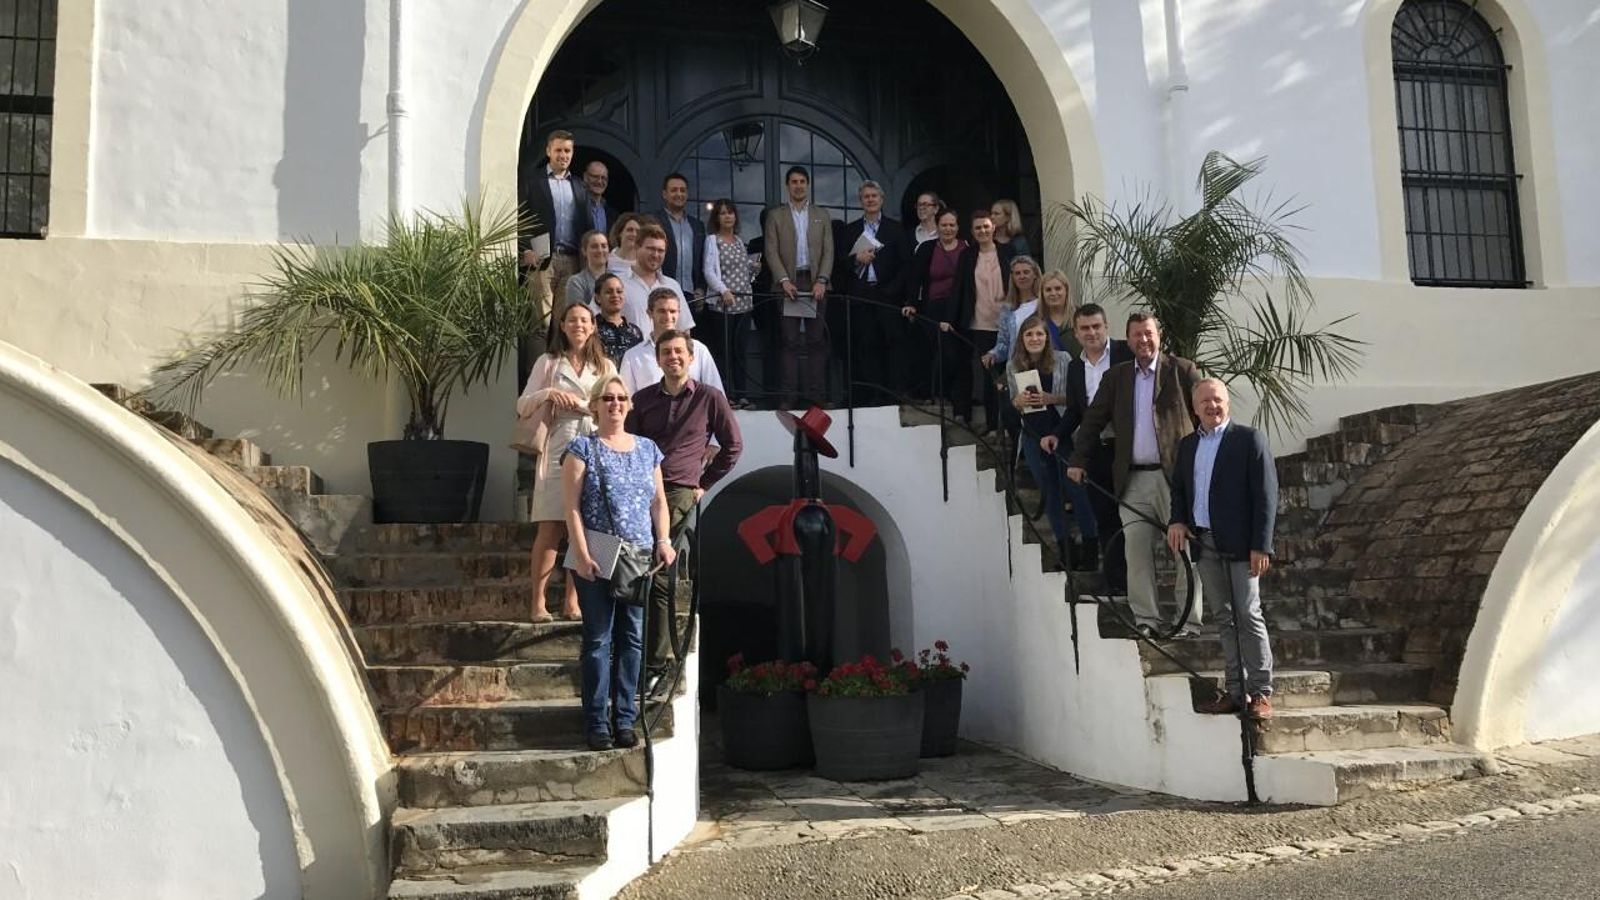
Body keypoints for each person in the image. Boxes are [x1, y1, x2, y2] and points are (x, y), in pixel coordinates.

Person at [1063, 312, 1204, 638]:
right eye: (1137, 335)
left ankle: (1188, 622)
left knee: (1186, 553)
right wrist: (1078, 459)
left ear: (1159, 335)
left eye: (1149, 334)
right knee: (1136, 553)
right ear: (1127, 340)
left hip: (1176, 480)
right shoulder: (1117, 377)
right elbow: (1092, 421)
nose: (1143, 340)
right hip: (1133, 480)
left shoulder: (1182, 371)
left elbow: (1205, 415)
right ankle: (1147, 620)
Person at [562, 375, 676, 751]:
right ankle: (597, 722)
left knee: (633, 638)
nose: (615, 403)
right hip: (598, 547)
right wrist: (581, 552)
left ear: (630, 405)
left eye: (621, 397)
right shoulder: (582, 448)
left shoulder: (647, 449)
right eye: (607, 398)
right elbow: (572, 507)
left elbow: (658, 501)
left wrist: (663, 540)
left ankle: (624, 719)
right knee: (598, 638)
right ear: (595, 405)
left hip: (638, 553)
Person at [627, 329, 743, 694]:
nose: (673, 357)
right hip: (638, 493)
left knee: (661, 578)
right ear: (658, 359)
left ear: (691, 358)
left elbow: (733, 446)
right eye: (666, 352)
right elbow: (626, 443)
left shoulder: (709, 398)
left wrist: (703, 485)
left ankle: (657, 664)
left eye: (679, 351)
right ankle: (632, 655)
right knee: (629, 573)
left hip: (677, 492)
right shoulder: (642, 399)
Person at [1167, 378, 1277, 719]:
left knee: (1248, 614)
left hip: (1242, 545)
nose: (1211, 407)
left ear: (1227, 403)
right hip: (1205, 543)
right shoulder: (1187, 446)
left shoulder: (1248, 440)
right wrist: (1177, 520)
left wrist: (1262, 545)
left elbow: (1266, 495)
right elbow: (1181, 491)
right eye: (1204, 402)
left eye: (1217, 400)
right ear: (1194, 408)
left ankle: (1260, 693)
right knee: (1224, 619)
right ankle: (1235, 690)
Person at [517, 302, 617, 623]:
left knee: (586, 529)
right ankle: (538, 603)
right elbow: (522, 404)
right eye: (572, 320)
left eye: (584, 320)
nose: (578, 325)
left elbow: (616, 406)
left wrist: (581, 405)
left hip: (594, 448)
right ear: (562, 326)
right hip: (558, 447)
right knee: (550, 526)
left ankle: (574, 601)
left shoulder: (605, 367)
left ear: (593, 327)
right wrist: (547, 393)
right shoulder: (548, 363)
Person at [1041, 303, 1134, 582]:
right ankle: (1116, 582)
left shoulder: (1125, 354)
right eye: (1085, 328)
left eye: (1096, 326)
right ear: (1077, 333)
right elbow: (1075, 411)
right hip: (1096, 450)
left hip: (1127, 448)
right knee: (1105, 518)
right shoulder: (1076, 367)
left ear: (1106, 327)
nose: (1091, 332)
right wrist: (1056, 433)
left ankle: (1136, 583)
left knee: (1131, 519)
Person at [764, 166, 835, 406]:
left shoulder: (821, 214)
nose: (798, 185)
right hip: (788, 284)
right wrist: (783, 280)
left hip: (816, 284)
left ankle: (817, 397)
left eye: (802, 181)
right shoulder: (776, 215)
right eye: (794, 181)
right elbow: (771, 250)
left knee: (816, 341)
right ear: (787, 186)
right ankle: (788, 398)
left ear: (808, 185)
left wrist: (822, 279)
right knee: (789, 342)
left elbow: (829, 250)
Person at [837, 180, 911, 404]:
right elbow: (839, 264)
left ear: (881, 200)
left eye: (874, 196)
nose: (870, 200)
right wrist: (855, 259)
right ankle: (868, 396)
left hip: (887, 296)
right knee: (865, 348)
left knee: (892, 345)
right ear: (861, 201)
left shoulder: (896, 228)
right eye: (866, 197)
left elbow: (906, 265)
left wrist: (892, 291)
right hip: (860, 296)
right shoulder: (850, 230)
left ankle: (892, 395)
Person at [1007, 314, 1074, 555]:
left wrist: (1051, 398)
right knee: (1048, 492)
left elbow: (1075, 399)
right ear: (1021, 339)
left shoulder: (1063, 359)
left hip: (1062, 432)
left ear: (1047, 337)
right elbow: (1014, 402)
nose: (1034, 338)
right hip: (1034, 436)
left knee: (1074, 489)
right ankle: (1064, 547)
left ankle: (1087, 544)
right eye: (1029, 334)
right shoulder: (1013, 364)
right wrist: (1018, 400)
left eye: (1039, 334)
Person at [904, 208, 972, 422]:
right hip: (935, 307)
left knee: (961, 356)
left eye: (952, 225)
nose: (948, 229)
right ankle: (941, 395)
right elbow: (914, 279)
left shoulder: (967, 249)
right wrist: (911, 304)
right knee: (944, 354)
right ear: (938, 227)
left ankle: (962, 407)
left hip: (961, 308)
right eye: (944, 225)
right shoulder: (926, 248)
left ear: (958, 227)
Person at [519, 130, 592, 328]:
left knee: (565, 322)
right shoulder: (533, 181)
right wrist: (526, 249)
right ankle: (539, 360)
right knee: (541, 323)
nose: (563, 155)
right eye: (558, 150)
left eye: (567, 150)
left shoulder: (579, 186)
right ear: (548, 151)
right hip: (541, 260)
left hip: (572, 261)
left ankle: (559, 360)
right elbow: (520, 217)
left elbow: (587, 225)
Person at [959, 208, 1017, 431]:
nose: (982, 231)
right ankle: (993, 424)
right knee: (989, 376)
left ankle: (1011, 426)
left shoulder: (1008, 251)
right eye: (977, 228)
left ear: (993, 227)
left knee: (1009, 374)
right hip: (980, 323)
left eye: (986, 226)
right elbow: (961, 289)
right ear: (972, 232)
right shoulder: (968, 255)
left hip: (1006, 322)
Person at [701, 198, 757, 405]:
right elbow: (708, 270)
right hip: (723, 304)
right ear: (716, 218)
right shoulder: (712, 240)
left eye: (730, 212)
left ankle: (742, 394)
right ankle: (726, 395)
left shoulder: (740, 241)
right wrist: (723, 290)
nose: (727, 216)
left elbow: (741, 272)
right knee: (724, 351)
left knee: (740, 351)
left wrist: (752, 269)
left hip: (744, 303)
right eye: (722, 213)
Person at [620, 288, 724, 394]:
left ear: (679, 313)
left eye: (672, 311)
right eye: (662, 311)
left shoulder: (699, 350)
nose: (668, 316)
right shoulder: (633, 356)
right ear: (649, 313)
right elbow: (626, 401)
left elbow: (716, 395)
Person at [620, 224, 695, 334]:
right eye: (651, 249)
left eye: (660, 251)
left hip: (667, 350)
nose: (656, 255)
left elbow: (684, 329)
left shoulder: (672, 286)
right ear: (637, 247)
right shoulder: (618, 284)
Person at [656, 173, 706, 303]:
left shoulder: (697, 225)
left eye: (682, 190)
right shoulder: (653, 220)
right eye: (674, 190)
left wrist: (701, 288)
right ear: (664, 194)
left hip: (691, 295)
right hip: (663, 291)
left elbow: (702, 259)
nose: (679, 194)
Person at [988, 255, 1042, 367]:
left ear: (1035, 274)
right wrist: (993, 355)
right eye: (1017, 273)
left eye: (1026, 272)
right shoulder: (1007, 309)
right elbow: (1004, 343)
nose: (1022, 276)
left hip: (1043, 363)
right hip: (1018, 366)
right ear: (1012, 277)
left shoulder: (1044, 303)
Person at [592, 273, 644, 365]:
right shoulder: (591, 329)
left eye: (619, 291)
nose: (615, 295)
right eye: (609, 292)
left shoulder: (635, 332)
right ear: (598, 298)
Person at [565, 230, 613, 308]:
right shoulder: (576, 282)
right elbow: (577, 313)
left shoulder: (618, 279)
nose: (600, 250)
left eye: (603, 246)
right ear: (584, 251)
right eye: (594, 247)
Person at [1036, 270, 1076, 351]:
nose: (1053, 293)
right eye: (1048, 290)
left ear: (1066, 291)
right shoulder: (1035, 320)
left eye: (1058, 288)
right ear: (1042, 293)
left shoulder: (1080, 316)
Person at [582, 160, 617, 237]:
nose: (599, 181)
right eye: (595, 177)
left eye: (603, 178)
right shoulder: (576, 207)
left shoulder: (612, 214)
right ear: (585, 177)